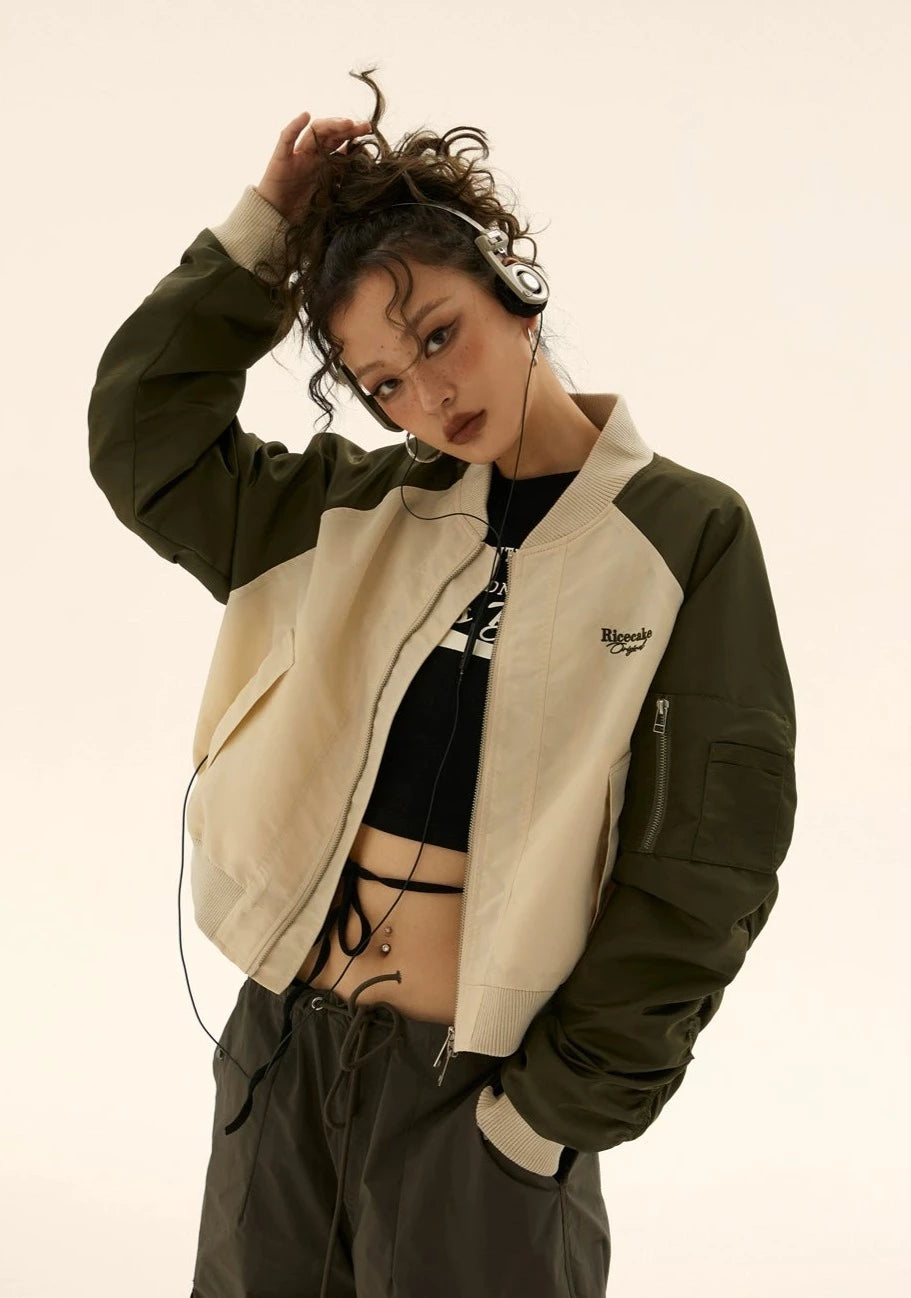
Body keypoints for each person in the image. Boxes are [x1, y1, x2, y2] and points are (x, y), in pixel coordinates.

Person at [87, 67, 797, 1298]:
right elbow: (145, 437)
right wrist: (264, 230)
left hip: (479, 1105)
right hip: (282, 1059)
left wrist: (546, 1117)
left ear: (514, 290)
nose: (427, 396)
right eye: (381, 383)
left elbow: (705, 859)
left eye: (435, 335)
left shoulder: (684, 535)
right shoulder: (353, 509)